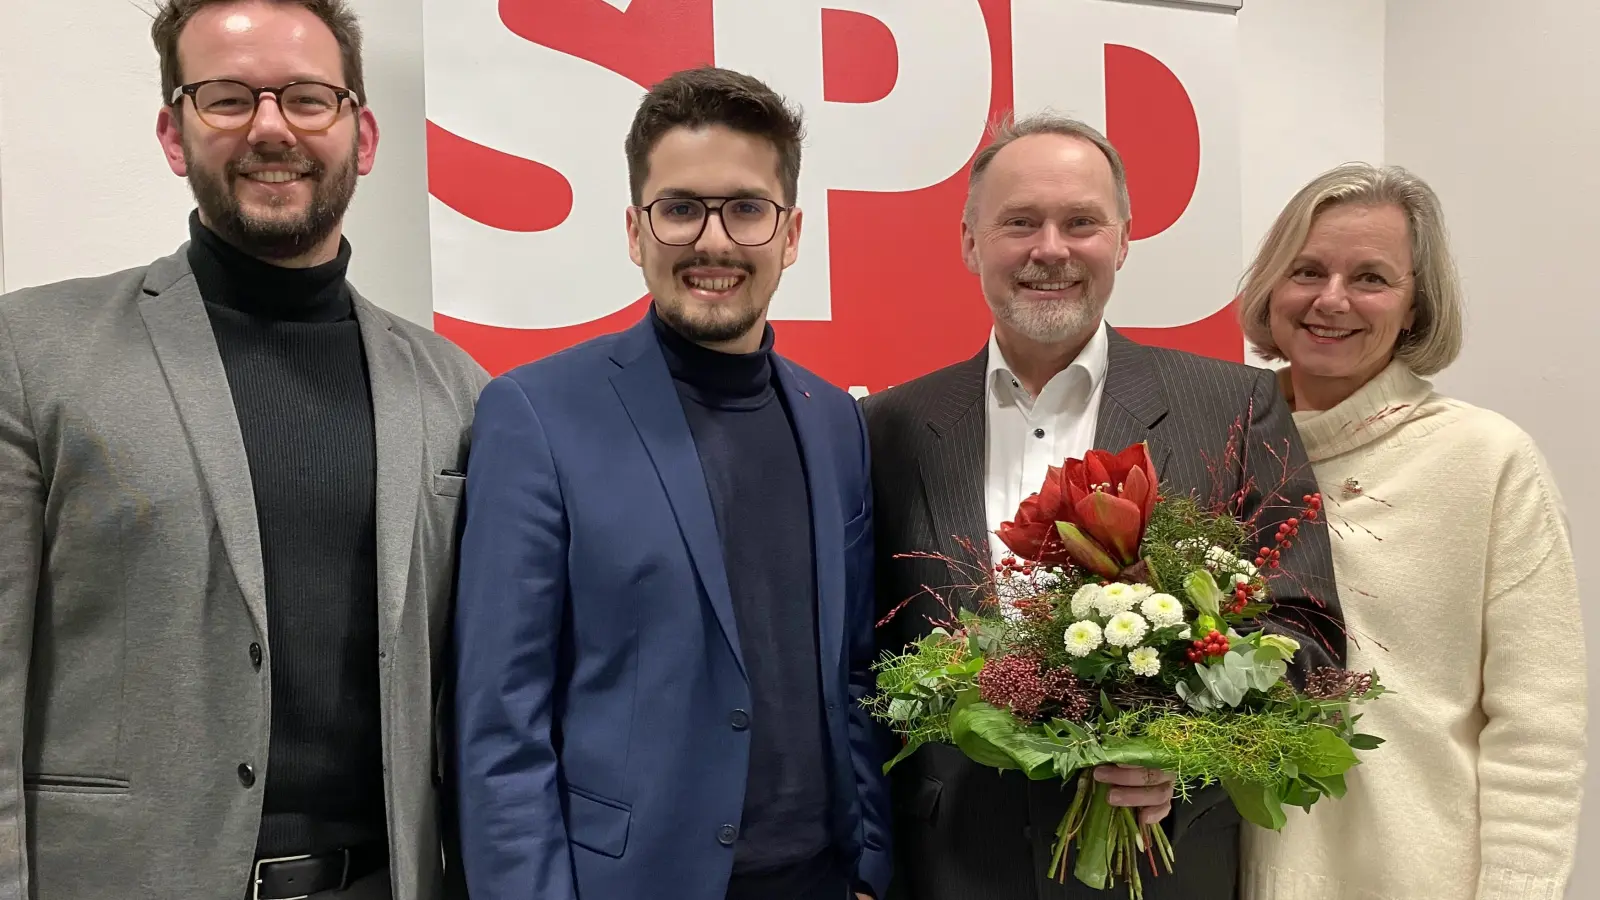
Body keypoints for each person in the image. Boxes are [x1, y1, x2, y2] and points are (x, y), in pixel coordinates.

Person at [0, 2, 488, 898]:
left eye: (308, 98)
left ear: (361, 133)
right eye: (227, 98)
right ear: (173, 133)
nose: (271, 127)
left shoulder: (455, 386)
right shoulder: (31, 353)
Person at [859, 113, 1346, 900]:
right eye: (1019, 222)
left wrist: (1185, 748)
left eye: (1081, 222)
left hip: (1169, 862)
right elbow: (861, 662)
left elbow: (1311, 636)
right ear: (970, 242)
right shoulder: (890, 427)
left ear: (1122, 241)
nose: (1050, 249)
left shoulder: (1233, 406)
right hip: (953, 869)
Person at [451, 65, 892, 900]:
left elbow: (855, 670)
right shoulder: (536, 415)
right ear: (635, 230)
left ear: (791, 233)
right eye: (681, 208)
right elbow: (500, 725)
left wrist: (869, 861)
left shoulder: (837, 421)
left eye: (747, 209)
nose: (714, 241)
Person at [1234, 162, 1585, 899]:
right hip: (1220, 873)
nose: (1332, 300)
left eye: (1371, 277)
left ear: (1415, 304)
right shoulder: (1215, 441)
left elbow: (1538, 726)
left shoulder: (1487, 461)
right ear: (1272, 285)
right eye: (1307, 270)